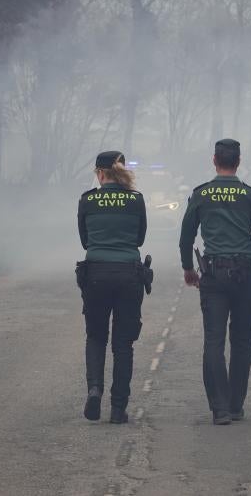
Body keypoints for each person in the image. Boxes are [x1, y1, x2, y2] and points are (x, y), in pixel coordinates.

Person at [179, 139, 251, 425]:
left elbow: (186, 236)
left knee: (213, 341)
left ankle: (220, 408)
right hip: (246, 275)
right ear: (238, 161)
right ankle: (236, 404)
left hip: (213, 275)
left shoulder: (201, 194)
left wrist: (188, 268)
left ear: (214, 160)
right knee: (243, 341)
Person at [76, 151, 147, 424]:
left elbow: (84, 240)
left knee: (95, 336)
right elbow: (140, 238)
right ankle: (118, 408)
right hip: (129, 274)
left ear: (100, 173)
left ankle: (95, 389)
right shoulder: (136, 200)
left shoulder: (88, 200)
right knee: (123, 344)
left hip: (95, 274)